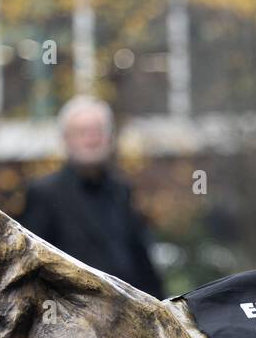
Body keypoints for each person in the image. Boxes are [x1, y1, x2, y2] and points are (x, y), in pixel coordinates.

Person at [19, 95, 164, 298]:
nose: (91, 139)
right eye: (82, 132)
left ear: (109, 138)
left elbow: (141, 261)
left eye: (98, 131)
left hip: (126, 316)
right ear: (66, 139)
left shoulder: (122, 190)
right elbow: (34, 267)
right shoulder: (43, 193)